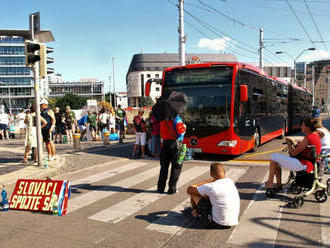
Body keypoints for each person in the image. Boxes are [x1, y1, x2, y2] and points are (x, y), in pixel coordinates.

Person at [265, 118, 321, 189]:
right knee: (276, 160)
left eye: (302, 125)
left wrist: (289, 144)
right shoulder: (315, 135)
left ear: (307, 127)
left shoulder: (307, 138)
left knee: (274, 156)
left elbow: (293, 153)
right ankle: (278, 184)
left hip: (303, 164)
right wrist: (296, 145)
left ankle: (270, 182)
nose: (301, 127)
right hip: (311, 164)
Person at [186, 163, 240, 228]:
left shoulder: (211, 187)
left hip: (217, 223)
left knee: (194, 194)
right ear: (224, 172)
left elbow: (189, 190)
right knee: (210, 196)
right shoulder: (229, 181)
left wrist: (198, 185)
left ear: (211, 174)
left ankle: (195, 211)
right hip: (232, 222)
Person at [157, 115, 186, 194]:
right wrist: (184, 127)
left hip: (165, 144)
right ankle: (172, 188)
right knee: (176, 167)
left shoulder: (162, 120)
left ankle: (160, 188)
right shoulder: (177, 119)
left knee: (164, 167)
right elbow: (181, 133)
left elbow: (162, 133)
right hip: (176, 143)